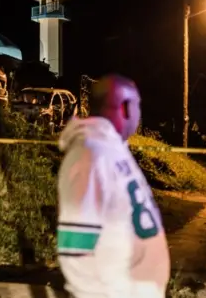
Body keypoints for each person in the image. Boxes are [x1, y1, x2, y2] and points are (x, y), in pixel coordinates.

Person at [57, 74, 170, 298]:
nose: (139, 114)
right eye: (138, 106)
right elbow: (75, 249)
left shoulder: (111, 150)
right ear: (126, 106)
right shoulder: (90, 155)